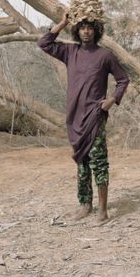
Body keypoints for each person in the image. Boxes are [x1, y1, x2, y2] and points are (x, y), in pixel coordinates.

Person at [38, 13, 129, 223]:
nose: (86, 31)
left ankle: (103, 211)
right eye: (82, 28)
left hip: (94, 116)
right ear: (77, 31)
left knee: (99, 162)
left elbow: (123, 79)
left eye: (90, 27)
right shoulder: (70, 51)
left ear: (96, 30)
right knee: (82, 161)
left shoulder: (105, 55)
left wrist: (112, 99)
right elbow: (44, 43)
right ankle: (85, 205)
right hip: (74, 116)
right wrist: (61, 23)